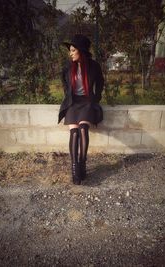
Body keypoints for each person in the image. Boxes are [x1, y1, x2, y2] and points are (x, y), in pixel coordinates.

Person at [58, 34, 104, 185]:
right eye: (70, 50)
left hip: (87, 101)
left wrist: (96, 98)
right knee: (74, 132)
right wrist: (68, 95)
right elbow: (64, 82)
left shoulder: (94, 66)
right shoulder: (67, 67)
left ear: (81, 51)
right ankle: (74, 168)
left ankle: (82, 164)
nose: (70, 53)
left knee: (83, 129)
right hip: (73, 102)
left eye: (72, 50)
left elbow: (100, 82)